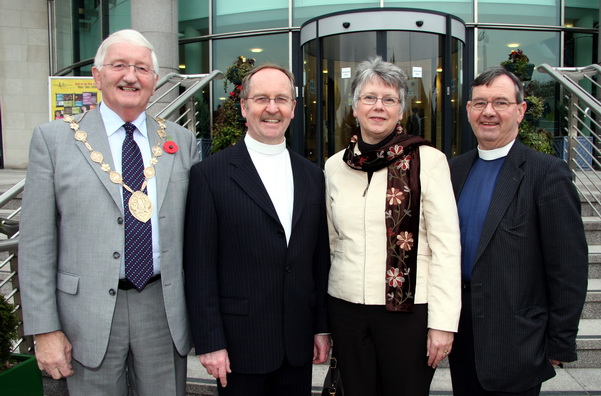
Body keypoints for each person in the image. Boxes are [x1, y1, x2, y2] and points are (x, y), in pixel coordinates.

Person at [19, 29, 198, 395]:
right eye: (119, 65)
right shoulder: (53, 141)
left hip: (162, 309)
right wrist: (44, 330)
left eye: (142, 69)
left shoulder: (181, 141)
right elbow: (36, 243)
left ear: (153, 80)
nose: (131, 76)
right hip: (85, 317)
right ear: (98, 76)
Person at [184, 63, 331, 396]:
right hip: (239, 349)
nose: (272, 108)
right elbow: (199, 268)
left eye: (281, 99)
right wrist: (209, 342)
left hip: (297, 346)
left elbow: (318, 261)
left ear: (293, 108)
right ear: (244, 106)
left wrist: (321, 328)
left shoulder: (312, 176)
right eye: (261, 98)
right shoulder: (210, 175)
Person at [324, 56, 461, 396]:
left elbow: (446, 246)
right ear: (354, 107)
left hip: (408, 312)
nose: (378, 107)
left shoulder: (428, 160)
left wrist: (443, 324)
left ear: (401, 110)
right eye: (369, 97)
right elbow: (331, 243)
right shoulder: (334, 167)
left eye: (389, 99)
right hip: (347, 309)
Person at [448, 66, 588, 395]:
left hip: (518, 340)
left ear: (520, 110)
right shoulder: (452, 170)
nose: (489, 112)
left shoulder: (547, 174)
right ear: (468, 110)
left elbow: (568, 267)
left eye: (500, 102)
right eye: (480, 103)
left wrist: (560, 343)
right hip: (463, 337)